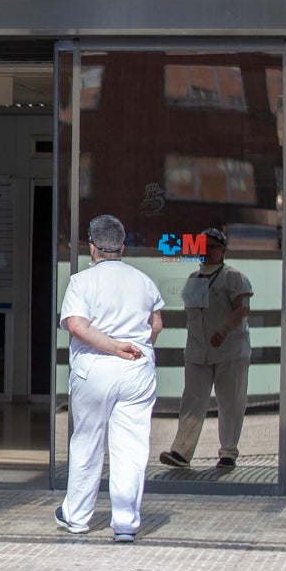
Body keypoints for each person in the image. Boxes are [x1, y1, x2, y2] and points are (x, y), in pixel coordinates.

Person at [55, 214, 164, 544]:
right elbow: (155, 324)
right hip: (137, 370)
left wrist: (113, 348)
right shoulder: (143, 280)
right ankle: (126, 524)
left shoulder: (82, 281)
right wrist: (132, 350)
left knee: (87, 441)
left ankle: (76, 516)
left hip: (95, 370)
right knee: (130, 446)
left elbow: (76, 325)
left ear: (92, 246)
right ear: (123, 246)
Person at [159, 227, 253, 470]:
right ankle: (181, 452)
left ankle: (228, 453)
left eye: (212, 247)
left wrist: (223, 331)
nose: (207, 252)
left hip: (230, 350)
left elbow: (241, 309)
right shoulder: (193, 279)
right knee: (192, 400)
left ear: (223, 250)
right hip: (198, 352)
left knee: (230, 401)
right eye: (202, 247)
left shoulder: (234, 277)